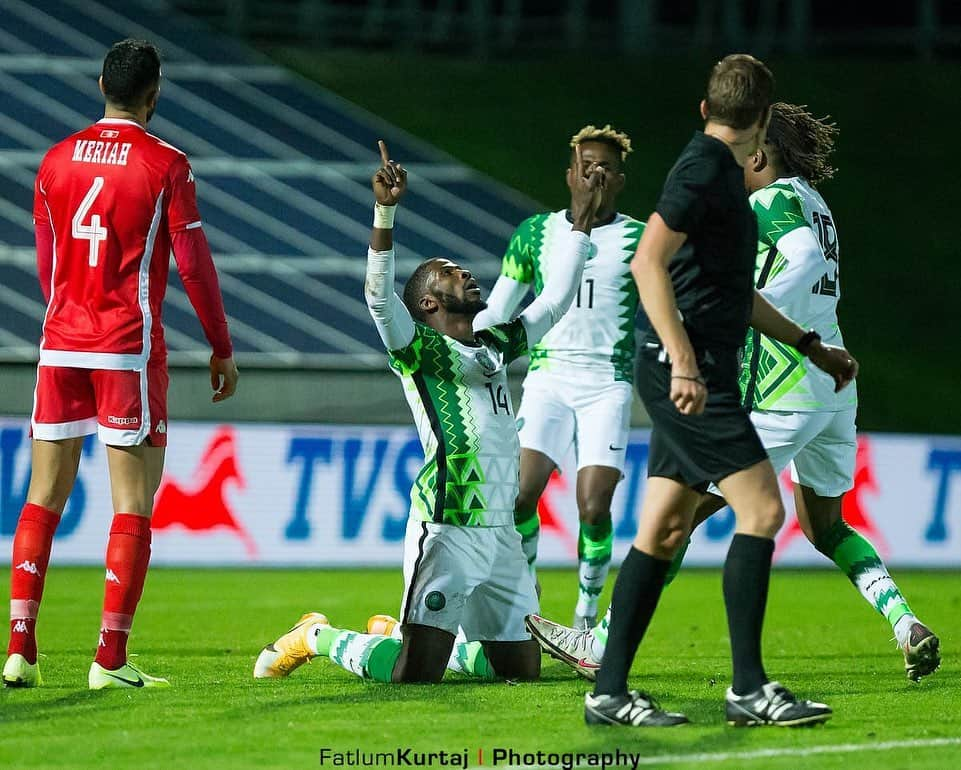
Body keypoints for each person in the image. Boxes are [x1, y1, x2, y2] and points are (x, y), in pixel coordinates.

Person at [528, 102, 940, 683]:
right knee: (827, 526)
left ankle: (602, 641)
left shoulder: (770, 201)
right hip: (833, 390)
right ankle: (905, 624)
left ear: (760, 155)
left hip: (783, 387)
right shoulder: (814, 202)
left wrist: (738, 308)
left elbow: (796, 259)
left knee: (681, 510)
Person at [253, 140, 604, 684]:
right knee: (415, 678)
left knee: (520, 669)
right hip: (448, 525)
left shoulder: (494, 343)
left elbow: (556, 299)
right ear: (428, 305)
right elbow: (376, 297)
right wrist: (385, 212)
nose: (464, 271)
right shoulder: (417, 349)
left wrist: (581, 217)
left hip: (501, 528)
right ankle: (316, 636)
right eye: (449, 272)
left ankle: (411, 633)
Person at [577, 55, 858, 728]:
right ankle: (748, 689)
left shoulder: (723, 174)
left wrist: (808, 346)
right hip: (692, 373)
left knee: (664, 527)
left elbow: (737, 293)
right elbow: (648, 260)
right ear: (762, 119)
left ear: (706, 108)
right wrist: (680, 362)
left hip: (696, 368)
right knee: (761, 512)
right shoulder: (703, 169)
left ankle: (607, 693)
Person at [3, 39, 238, 690]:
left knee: (42, 497)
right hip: (124, 345)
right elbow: (191, 264)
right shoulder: (166, 164)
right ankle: (109, 659)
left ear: (100, 83)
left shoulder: (53, 161)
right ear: (153, 94)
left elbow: (48, 268)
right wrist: (220, 344)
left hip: (60, 340)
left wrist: (67, 313)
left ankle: (19, 649)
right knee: (132, 502)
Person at [471, 125, 644, 629]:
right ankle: (527, 598)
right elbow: (499, 308)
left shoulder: (640, 237)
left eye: (605, 167)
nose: (594, 173)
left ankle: (586, 617)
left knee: (592, 507)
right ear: (570, 174)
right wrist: (471, 347)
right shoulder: (534, 233)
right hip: (547, 376)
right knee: (519, 494)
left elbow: (664, 302)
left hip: (607, 381)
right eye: (585, 164)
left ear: (619, 181)